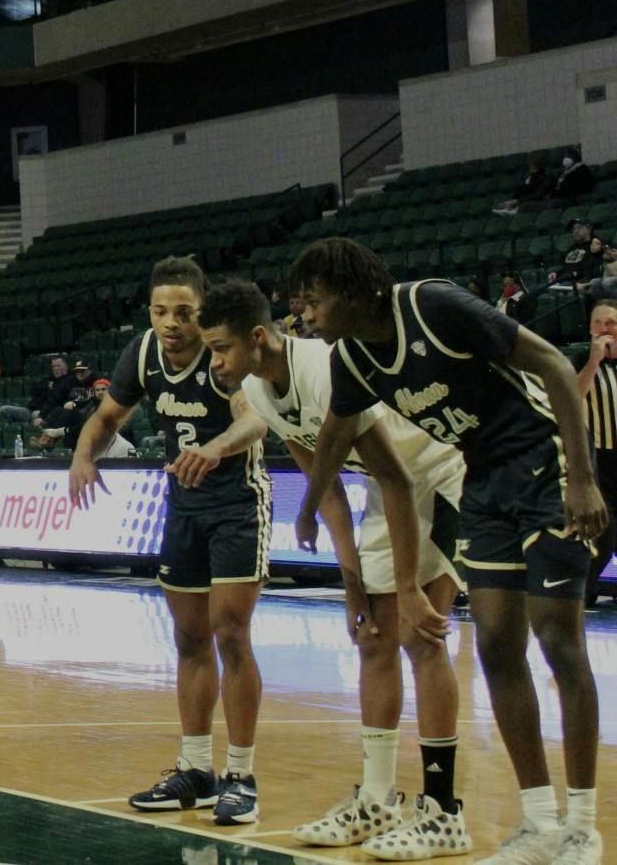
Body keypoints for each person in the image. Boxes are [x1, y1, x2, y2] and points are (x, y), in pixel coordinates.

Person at [289, 239, 607, 865]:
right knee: (493, 643)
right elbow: (333, 434)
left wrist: (583, 476)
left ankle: (583, 826)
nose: (306, 319)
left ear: (351, 293)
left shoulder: (433, 305)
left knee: (558, 641)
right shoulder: (353, 359)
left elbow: (553, 366)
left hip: (545, 466)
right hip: (483, 482)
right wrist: (309, 502)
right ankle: (540, 824)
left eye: (313, 303)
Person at [198, 279, 471, 858]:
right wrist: (352, 586)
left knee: (421, 636)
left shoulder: (322, 370)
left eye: (220, 348)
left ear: (257, 337)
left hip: (442, 472)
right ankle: (376, 798)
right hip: (387, 489)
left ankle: (444, 812)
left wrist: (404, 587)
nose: (214, 362)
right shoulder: (260, 388)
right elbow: (327, 489)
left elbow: (398, 477)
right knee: (374, 636)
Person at [70, 256, 271, 828]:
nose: (171, 322)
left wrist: (217, 448)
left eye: (183, 312)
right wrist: (83, 456)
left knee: (231, 633)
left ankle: (241, 775)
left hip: (237, 505)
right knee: (188, 637)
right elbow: (108, 417)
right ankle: (196, 770)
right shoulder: (141, 353)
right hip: (182, 507)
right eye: (161, 311)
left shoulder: (220, 353)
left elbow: (255, 422)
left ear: (202, 312)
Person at [579, 302, 617, 604]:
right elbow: (572, 396)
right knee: (603, 537)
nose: (605, 328)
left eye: (612, 322)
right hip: (597, 459)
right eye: (599, 322)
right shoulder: (581, 359)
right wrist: (593, 361)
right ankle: (578, 595)